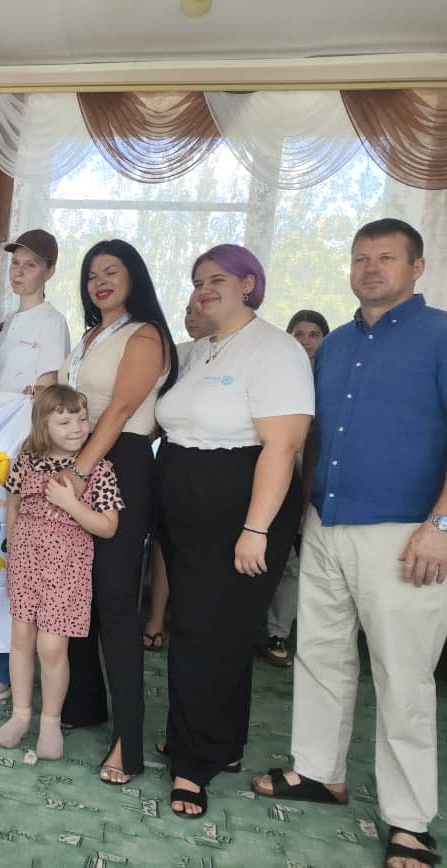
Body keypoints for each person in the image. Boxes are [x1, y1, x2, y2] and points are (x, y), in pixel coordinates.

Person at [252, 220, 447, 868]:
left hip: (408, 534)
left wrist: (442, 526)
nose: (370, 268)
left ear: (416, 266)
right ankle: (318, 772)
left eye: (386, 258)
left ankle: (410, 822)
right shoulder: (331, 346)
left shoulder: (441, 335)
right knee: (322, 657)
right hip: (327, 527)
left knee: (404, 679)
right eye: (361, 257)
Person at [155, 243, 313, 818]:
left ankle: (192, 765)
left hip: (240, 510)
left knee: (203, 633)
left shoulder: (276, 349)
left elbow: (284, 444)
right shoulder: (199, 350)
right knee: (212, 634)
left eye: (217, 279)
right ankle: (218, 743)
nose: (204, 290)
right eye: (198, 281)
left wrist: (256, 529)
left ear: (250, 284)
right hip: (184, 503)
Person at [59, 239, 178, 785]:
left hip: (120, 463)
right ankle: (85, 703)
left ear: (135, 278)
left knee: (115, 601)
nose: (100, 281)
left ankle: (128, 741)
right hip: (83, 457)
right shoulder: (91, 335)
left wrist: (81, 472)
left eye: (112, 271)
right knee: (78, 589)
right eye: (91, 275)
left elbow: (125, 409)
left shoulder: (145, 334)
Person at [0, 227, 71, 701]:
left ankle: (9, 668)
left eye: (31, 265)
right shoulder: (6, 322)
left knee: (13, 553)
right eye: (16, 264)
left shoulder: (51, 322)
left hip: (23, 451)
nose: (20, 272)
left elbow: (49, 391)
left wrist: (37, 399)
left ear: (49, 271)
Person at [0, 385, 122, 759]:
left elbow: (109, 526)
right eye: (64, 421)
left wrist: (71, 504)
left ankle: (50, 722)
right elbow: (13, 500)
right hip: (26, 558)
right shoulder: (28, 457)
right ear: (43, 424)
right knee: (21, 636)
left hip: (67, 564)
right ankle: (20, 715)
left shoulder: (99, 468)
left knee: (52, 646)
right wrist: (13, 539)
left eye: (82, 419)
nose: (77, 428)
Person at [142, 297, 215, 652]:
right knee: (162, 542)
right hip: (169, 457)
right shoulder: (174, 353)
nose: (193, 316)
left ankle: (190, 623)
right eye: (187, 310)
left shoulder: (229, 352)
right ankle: (155, 618)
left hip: (212, 465)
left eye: (200, 309)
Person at [262, 307, 332, 667]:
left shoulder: (331, 380)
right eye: (297, 333)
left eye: (313, 335)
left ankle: (278, 632)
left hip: (312, 474)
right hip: (272, 468)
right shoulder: (274, 374)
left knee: (292, 561)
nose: (304, 341)